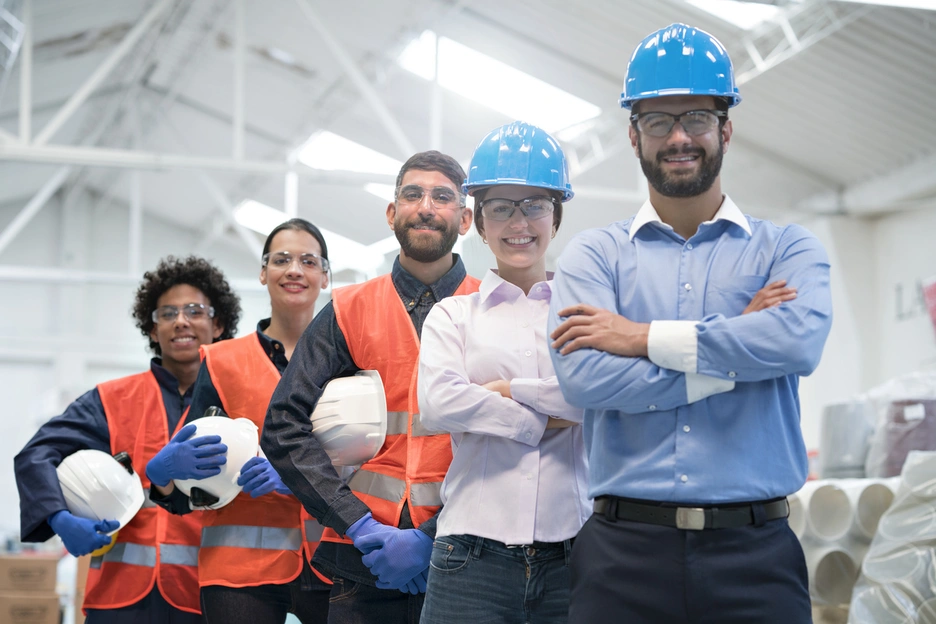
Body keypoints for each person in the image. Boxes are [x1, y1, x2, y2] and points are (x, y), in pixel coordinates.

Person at [547, 23, 832, 624]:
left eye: (697, 118)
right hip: (621, 558)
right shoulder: (594, 256)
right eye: (658, 122)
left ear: (725, 129)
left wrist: (639, 337)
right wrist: (735, 353)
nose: (679, 137)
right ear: (633, 135)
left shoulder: (787, 249)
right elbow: (585, 380)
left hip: (757, 556)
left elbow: (797, 339)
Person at [260, 150, 480, 624]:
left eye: (442, 197)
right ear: (391, 213)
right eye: (412, 194)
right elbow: (282, 425)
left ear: (464, 219)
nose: (425, 206)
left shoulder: (491, 308)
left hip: (471, 557)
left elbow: (512, 444)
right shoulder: (348, 309)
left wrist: (432, 537)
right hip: (364, 561)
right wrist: (359, 525)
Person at [416, 121, 589, 624]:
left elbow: (596, 397)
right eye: (501, 208)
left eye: (535, 205)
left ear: (555, 219)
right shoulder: (453, 315)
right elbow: (441, 404)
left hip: (574, 556)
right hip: (470, 558)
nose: (520, 222)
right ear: (480, 222)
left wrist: (508, 391)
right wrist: (541, 419)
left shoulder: (586, 312)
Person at [14, 256, 241, 623]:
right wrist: (59, 518)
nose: (180, 320)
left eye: (194, 311)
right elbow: (36, 454)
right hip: (119, 601)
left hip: (208, 599)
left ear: (218, 324)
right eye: (167, 313)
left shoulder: (239, 401)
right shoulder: (110, 399)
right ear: (152, 330)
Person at [146, 219, 333, 624]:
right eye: (281, 259)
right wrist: (163, 475)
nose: (295, 270)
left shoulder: (350, 357)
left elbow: (371, 457)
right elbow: (189, 488)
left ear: (325, 276)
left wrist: (299, 477)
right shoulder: (222, 361)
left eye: (308, 261)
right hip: (238, 569)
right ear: (263, 273)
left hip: (331, 558)